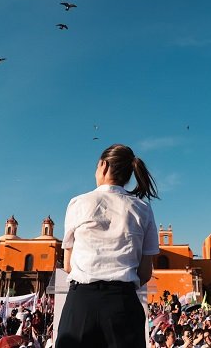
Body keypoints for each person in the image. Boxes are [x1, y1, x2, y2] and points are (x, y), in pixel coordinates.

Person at [55, 144, 160, 348]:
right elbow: (145, 272)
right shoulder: (143, 209)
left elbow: (68, 266)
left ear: (103, 166)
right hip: (124, 304)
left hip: (81, 304)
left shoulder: (78, 203)